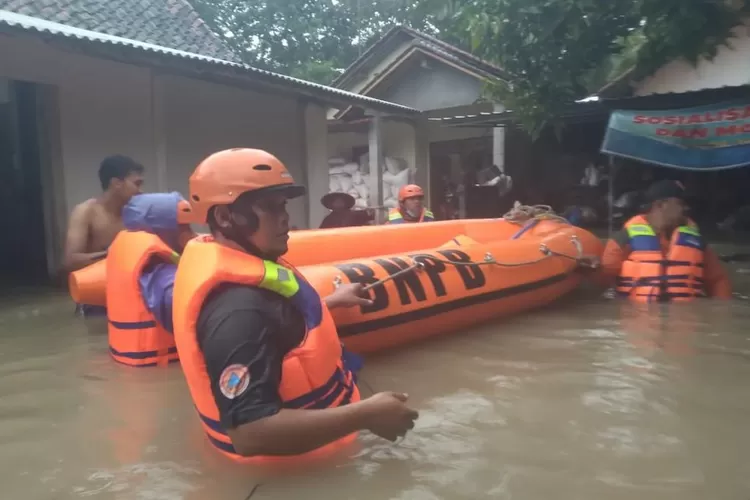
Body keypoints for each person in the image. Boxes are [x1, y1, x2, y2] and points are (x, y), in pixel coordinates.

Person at [172, 148, 419, 462]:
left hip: (325, 457)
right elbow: (249, 432)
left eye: (283, 205)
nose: (285, 216)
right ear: (224, 217)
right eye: (269, 207)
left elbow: (277, 327)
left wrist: (330, 302)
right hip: (288, 476)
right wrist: (367, 414)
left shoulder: (254, 273)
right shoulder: (236, 311)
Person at [600, 180, 732, 302]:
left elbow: (717, 281)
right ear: (660, 205)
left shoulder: (698, 242)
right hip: (638, 318)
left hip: (684, 318)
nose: (686, 208)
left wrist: (720, 310)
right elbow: (603, 279)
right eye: (680, 203)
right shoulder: (624, 238)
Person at [106, 192, 196, 366]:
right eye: (185, 228)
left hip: (134, 374)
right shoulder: (161, 274)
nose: (191, 234)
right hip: (162, 374)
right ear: (162, 232)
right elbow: (189, 310)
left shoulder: (127, 249)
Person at [64, 155, 145, 273]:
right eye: (137, 184)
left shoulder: (138, 213)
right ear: (117, 183)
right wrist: (115, 254)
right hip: (95, 286)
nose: (140, 191)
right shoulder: (86, 212)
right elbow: (71, 260)